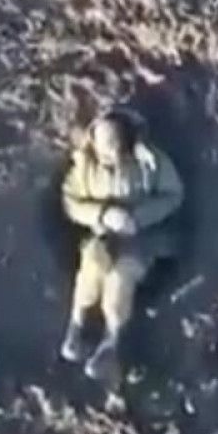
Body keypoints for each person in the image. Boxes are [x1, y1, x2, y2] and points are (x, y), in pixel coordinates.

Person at [59, 108, 185, 378]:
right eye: (104, 149)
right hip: (102, 235)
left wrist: (139, 217)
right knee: (92, 267)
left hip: (142, 239)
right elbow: (71, 202)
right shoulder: (84, 168)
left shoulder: (150, 163)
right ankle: (77, 326)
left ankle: (111, 341)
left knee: (119, 280)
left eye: (115, 147)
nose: (110, 155)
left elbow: (173, 195)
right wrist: (101, 214)